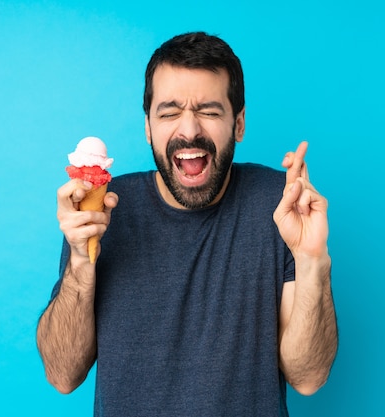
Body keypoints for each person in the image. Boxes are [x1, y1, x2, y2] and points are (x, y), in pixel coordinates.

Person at [37, 31, 337, 416]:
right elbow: (63, 375)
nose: (189, 130)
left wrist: (313, 261)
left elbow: (308, 376)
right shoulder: (102, 212)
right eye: (169, 112)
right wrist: (81, 261)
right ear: (148, 126)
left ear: (239, 124)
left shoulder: (280, 204)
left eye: (209, 111)